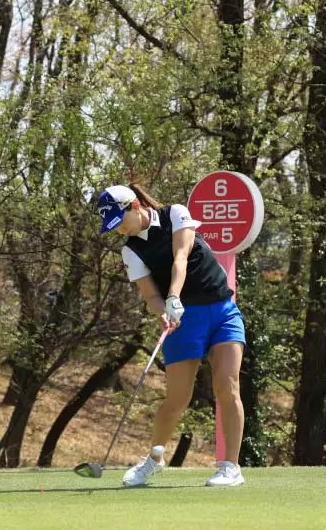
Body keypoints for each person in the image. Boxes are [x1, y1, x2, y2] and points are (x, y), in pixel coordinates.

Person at [96, 183, 246, 487]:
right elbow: (150, 294)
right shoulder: (131, 250)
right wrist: (164, 312)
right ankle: (154, 459)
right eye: (113, 227)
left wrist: (174, 296)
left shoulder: (175, 214)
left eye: (120, 221)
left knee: (227, 386)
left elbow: (181, 257)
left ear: (134, 206)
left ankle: (231, 467)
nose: (119, 231)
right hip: (183, 321)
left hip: (221, 310)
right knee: (177, 399)